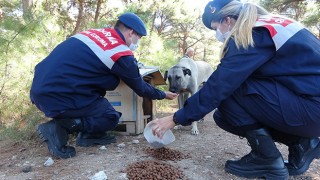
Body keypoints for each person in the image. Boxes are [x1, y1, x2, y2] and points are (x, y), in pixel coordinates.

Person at [150, 0, 320, 179]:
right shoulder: (272, 24)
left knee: (231, 88)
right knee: (222, 116)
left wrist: (175, 118)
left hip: (312, 108)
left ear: (228, 21)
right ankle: (302, 144)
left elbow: (220, 84)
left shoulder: (252, 33)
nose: (218, 34)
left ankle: (267, 160)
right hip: (308, 104)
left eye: (216, 28)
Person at [30, 12, 178, 159]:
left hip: (40, 89)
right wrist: (163, 94)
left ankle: (87, 136)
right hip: (61, 95)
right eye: (138, 38)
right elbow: (140, 87)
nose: (137, 42)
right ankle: (59, 128)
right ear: (131, 32)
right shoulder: (121, 52)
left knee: (106, 87)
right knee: (109, 117)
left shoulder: (93, 34)